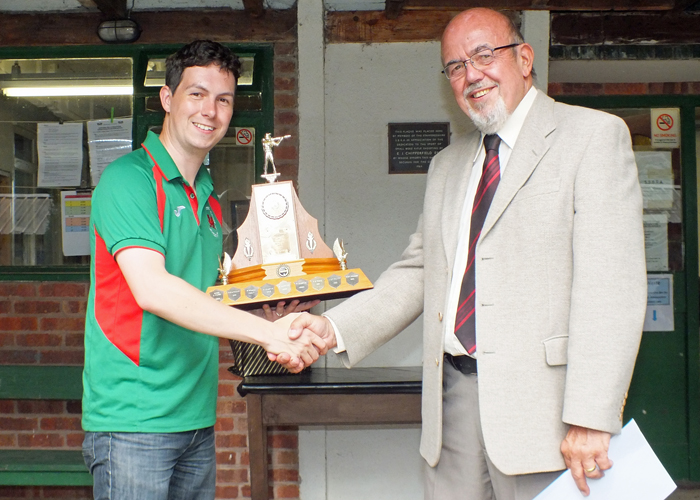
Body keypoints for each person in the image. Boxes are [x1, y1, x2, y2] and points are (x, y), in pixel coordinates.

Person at [277, 8, 646, 500]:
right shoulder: (447, 165)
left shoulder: (592, 137)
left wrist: (591, 416)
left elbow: (611, 289)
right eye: (455, 66)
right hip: (452, 407)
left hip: (550, 415)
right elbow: (420, 270)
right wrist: (334, 328)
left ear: (525, 57)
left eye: (483, 55)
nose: (471, 74)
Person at [81, 40, 324, 500]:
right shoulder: (128, 180)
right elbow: (153, 290)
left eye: (223, 99)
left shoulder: (209, 198)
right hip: (134, 422)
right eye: (196, 94)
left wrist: (272, 321)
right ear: (168, 99)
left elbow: (205, 300)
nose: (210, 110)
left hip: (195, 419)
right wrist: (268, 337)